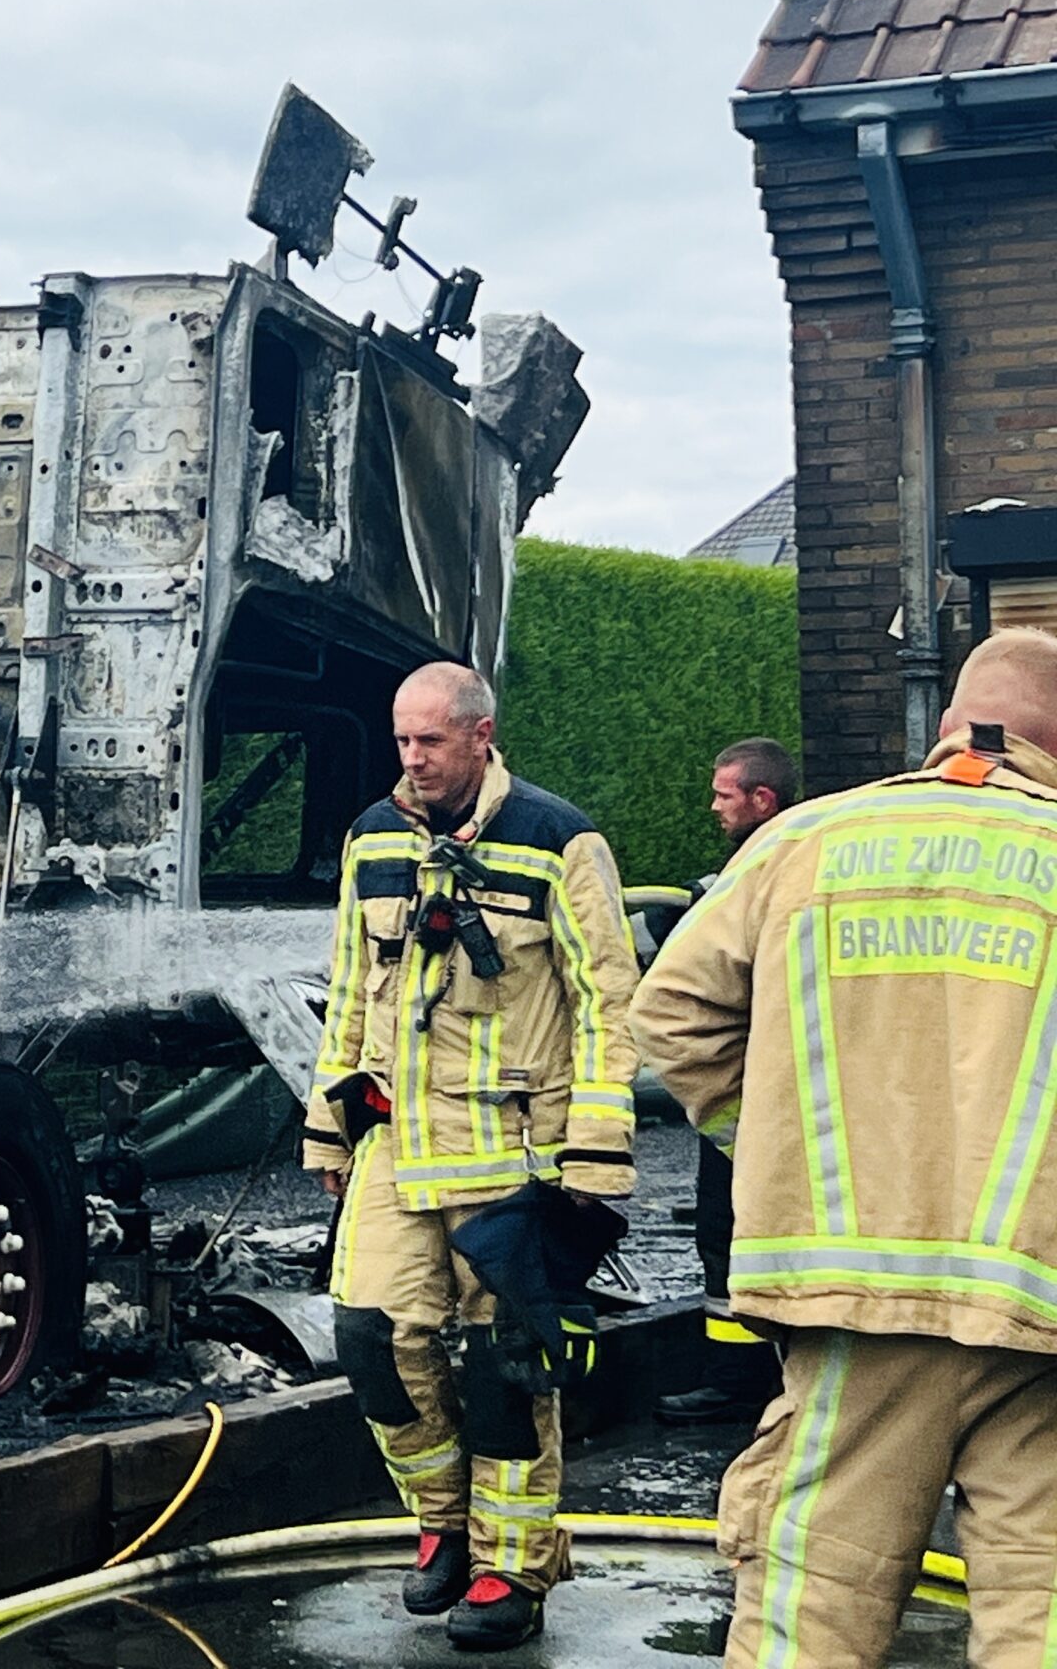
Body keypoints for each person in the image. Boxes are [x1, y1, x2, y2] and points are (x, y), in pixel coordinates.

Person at [633, 627, 1057, 1667]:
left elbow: (671, 1016)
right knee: (1041, 1607)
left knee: (809, 1616)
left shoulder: (800, 841)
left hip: (844, 1303)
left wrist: (765, 1137)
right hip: (1038, 1303)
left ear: (952, 722)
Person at [306, 661, 641, 1650]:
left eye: (430, 743)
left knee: (509, 1370)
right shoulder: (371, 835)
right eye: (400, 741)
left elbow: (605, 1005)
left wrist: (594, 1158)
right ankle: (440, 1526)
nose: (411, 760)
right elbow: (348, 988)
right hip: (395, 1150)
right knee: (372, 1341)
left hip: (512, 1157)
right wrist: (327, 1127)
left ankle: (511, 1570)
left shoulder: (557, 841)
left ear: (481, 735)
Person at [654, 737, 796, 1426]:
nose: (713, 807)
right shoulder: (789, 865)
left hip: (747, 1090)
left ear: (760, 799)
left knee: (734, 1234)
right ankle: (755, 1378)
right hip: (767, 1087)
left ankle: (741, 1381)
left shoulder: (759, 874)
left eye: (724, 795)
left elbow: (684, 1002)